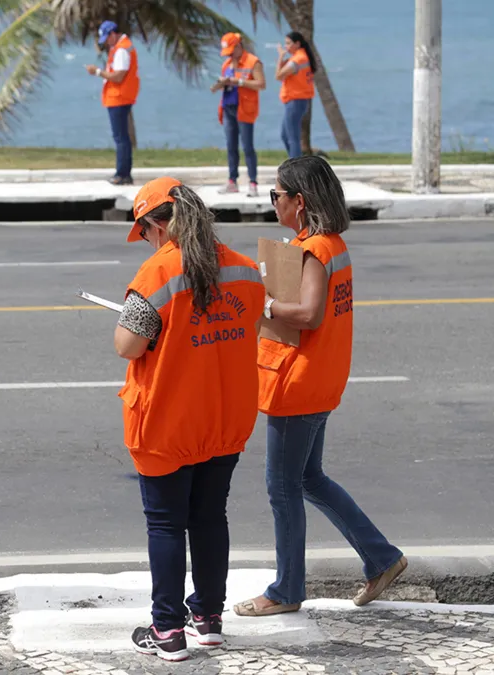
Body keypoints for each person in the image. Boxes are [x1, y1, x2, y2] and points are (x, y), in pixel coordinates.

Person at [234, 156, 407, 617]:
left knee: (282, 487)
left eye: (277, 195)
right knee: (309, 478)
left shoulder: (314, 250)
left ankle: (287, 589)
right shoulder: (333, 245)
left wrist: (264, 304)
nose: (273, 203)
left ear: (299, 201)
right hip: (322, 379)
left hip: (297, 383)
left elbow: (309, 315)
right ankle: (382, 557)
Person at [115, 178, 265, 661]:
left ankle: (167, 631)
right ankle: (209, 618)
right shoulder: (246, 271)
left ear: (159, 225)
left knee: (165, 524)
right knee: (208, 516)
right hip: (225, 418)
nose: (149, 243)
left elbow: (127, 345)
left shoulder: (157, 273)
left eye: (147, 233)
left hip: (168, 421)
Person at [85, 20, 140, 186]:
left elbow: (118, 76)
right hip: (119, 97)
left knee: (120, 138)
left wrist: (97, 72)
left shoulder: (122, 50)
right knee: (121, 137)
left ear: (113, 33)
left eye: (107, 38)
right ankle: (123, 173)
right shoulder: (120, 47)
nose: (107, 42)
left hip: (119, 97)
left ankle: (122, 174)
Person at [210, 33, 265, 196]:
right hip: (228, 107)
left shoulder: (253, 62)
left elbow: (261, 84)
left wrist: (239, 82)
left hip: (244, 108)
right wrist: (220, 84)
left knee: (248, 146)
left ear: (239, 46)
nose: (229, 55)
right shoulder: (227, 63)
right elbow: (227, 82)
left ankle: (253, 182)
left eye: (231, 51)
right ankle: (232, 181)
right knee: (230, 146)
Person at [275, 31, 316, 158]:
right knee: (285, 135)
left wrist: (280, 56)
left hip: (296, 100)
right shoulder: (300, 57)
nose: (286, 46)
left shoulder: (298, 59)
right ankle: (294, 162)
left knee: (292, 137)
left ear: (297, 44)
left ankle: (296, 166)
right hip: (296, 101)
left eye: (288, 43)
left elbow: (279, 75)